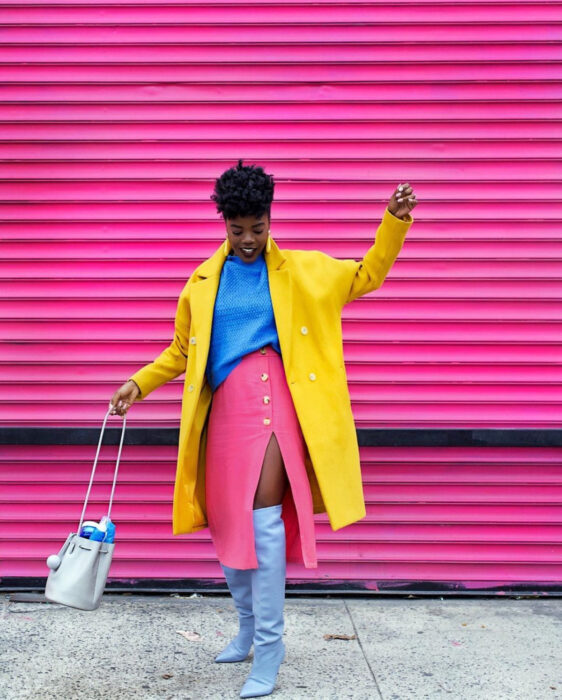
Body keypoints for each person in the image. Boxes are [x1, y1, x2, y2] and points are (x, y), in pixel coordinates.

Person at [110, 160, 417, 698]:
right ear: (223, 224)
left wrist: (392, 221)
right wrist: (139, 383)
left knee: (264, 521)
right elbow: (184, 350)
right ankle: (248, 629)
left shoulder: (303, 269)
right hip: (225, 410)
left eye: (258, 226)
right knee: (228, 525)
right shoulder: (203, 282)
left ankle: (271, 648)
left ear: (271, 219)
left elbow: (365, 274)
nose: (249, 239)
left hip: (276, 401)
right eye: (238, 229)